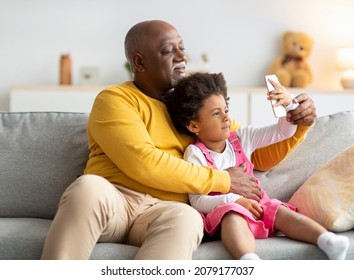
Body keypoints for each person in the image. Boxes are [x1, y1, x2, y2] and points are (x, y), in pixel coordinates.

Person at [41, 20, 318, 260]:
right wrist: (223, 180)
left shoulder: (195, 106)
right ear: (138, 62)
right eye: (167, 51)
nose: (181, 56)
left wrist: (297, 124)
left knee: (187, 219)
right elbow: (144, 163)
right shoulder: (116, 99)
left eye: (181, 47)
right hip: (116, 200)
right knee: (88, 187)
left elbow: (256, 156)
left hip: (168, 210)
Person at [164, 72, 349, 260]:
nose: (226, 118)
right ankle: (248, 259)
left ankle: (327, 241)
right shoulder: (194, 154)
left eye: (226, 110)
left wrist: (288, 104)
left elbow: (282, 132)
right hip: (225, 212)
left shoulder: (243, 137)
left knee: (280, 212)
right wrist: (233, 201)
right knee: (232, 217)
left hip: (258, 206)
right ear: (194, 126)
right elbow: (197, 200)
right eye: (216, 113)